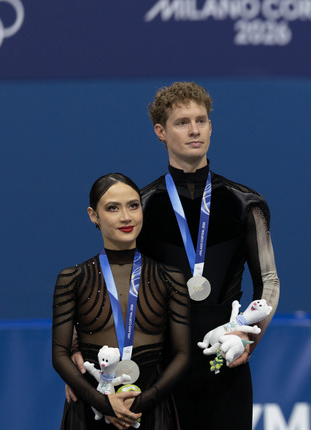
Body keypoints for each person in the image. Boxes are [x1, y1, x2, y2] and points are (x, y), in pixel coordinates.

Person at [66, 82, 282, 428]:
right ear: (160, 132)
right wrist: (78, 351)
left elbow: (268, 281)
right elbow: (113, 280)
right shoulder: (143, 205)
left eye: (201, 120)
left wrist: (247, 337)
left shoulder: (246, 203)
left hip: (223, 361)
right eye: (182, 122)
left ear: (211, 126)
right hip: (158, 370)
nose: (194, 130)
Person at [53, 173, 190, 429]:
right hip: (91, 409)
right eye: (112, 208)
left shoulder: (169, 278)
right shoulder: (72, 279)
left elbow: (182, 354)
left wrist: (139, 405)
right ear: (93, 215)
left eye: (133, 206)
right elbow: (59, 355)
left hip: (151, 409)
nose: (126, 217)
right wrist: (105, 405)